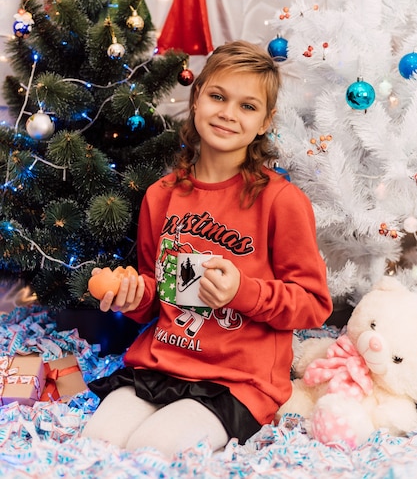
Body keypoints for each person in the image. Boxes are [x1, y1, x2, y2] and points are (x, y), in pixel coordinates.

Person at [82, 40, 332, 457]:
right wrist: (129, 295)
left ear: (266, 121)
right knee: (98, 443)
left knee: (152, 450)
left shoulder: (281, 201)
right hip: (160, 365)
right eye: (217, 96)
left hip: (237, 382)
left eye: (247, 106)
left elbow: (313, 304)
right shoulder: (161, 195)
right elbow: (153, 297)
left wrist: (242, 292)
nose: (228, 113)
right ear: (196, 99)